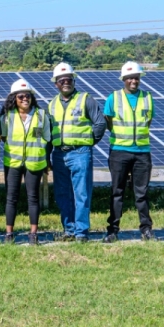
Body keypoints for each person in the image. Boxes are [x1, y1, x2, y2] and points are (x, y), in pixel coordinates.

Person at [48, 63, 106, 243]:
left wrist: (89, 142)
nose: (66, 82)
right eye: (61, 80)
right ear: (56, 83)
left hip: (80, 153)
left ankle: (81, 232)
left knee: (81, 193)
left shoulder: (85, 99)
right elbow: (48, 132)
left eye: (69, 79)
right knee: (62, 193)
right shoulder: (52, 104)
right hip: (59, 154)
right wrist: (47, 154)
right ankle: (69, 229)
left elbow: (100, 123)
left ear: (74, 80)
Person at [103, 61, 154, 243]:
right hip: (119, 151)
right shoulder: (113, 98)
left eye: (136, 78)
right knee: (117, 192)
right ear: (124, 79)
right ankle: (113, 230)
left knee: (142, 193)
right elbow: (108, 120)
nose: (133, 81)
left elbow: (147, 122)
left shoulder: (147, 97)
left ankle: (146, 229)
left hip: (142, 151)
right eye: (130, 78)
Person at [0, 80, 52, 245]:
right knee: (11, 198)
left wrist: (45, 160)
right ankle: (9, 234)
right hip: (13, 162)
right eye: (21, 96)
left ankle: (33, 234)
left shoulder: (41, 115)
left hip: (34, 163)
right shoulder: (8, 116)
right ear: (14, 98)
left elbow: (47, 138)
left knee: (33, 198)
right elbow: (2, 137)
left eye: (28, 96)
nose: (25, 99)